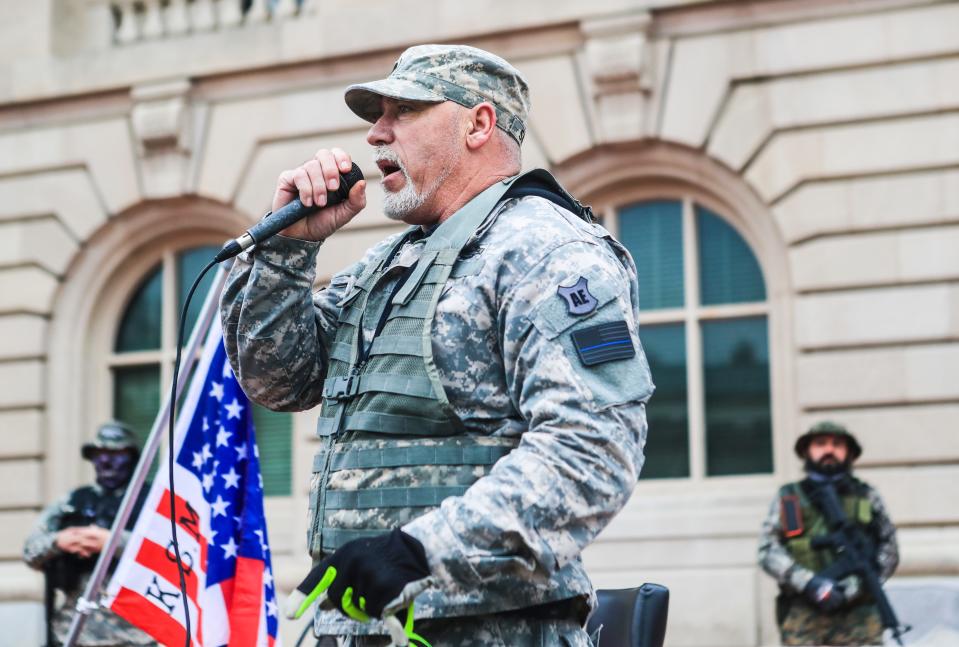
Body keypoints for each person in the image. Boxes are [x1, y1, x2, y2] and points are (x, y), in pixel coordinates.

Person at [221, 44, 654, 646]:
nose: (375, 134)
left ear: (478, 123)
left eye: (404, 111)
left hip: (486, 631)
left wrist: (420, 553)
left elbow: (593, 450)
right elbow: (278, 380)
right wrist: (288, 249)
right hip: (359, 629)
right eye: (377, 115)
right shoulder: (390, 263)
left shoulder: (546, 251)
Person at [758, 421, 900, 646]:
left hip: (859, 619)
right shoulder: (789, 497)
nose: (829, 450)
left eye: (837, 444)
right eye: (821, 444)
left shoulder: (867, 495)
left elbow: (889, 550)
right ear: (807, 451)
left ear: (849, 452)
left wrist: (853, 587)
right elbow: (768, 551)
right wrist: (810, 583)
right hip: (805, 615)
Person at [23, 421, 155, 647]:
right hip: (75, 632)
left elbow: (173, 553)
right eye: (99, 453)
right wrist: (60, 541)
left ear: (131, 458)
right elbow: (30, 550)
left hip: (137, 634)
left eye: (116, 453)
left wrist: (115, 543)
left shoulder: (153, 500)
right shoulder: (73, 501)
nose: (106, 461)